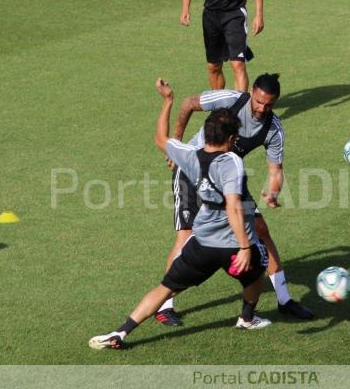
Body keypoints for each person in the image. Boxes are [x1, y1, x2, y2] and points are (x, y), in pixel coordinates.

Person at [88, 78, 271, 350]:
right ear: (232, 139)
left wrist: (167, 102)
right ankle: (246, 317)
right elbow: (233, 206)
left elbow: (160, 139)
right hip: (231, 244)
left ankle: (121, 332)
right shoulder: (231, 160)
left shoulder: (190, 156)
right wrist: (244, 246)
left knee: (165, 288)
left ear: (206, 134)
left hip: (202, 242)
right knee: (257, 274)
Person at [155, 73, 314, 326]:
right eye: (259, 101)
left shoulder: (273, 128)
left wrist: (273, 191)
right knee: (185, 236)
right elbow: (188, 103)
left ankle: (284, 299)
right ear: (252, 92)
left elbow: (276, 170)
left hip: (227, 178)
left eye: (269, 104)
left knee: (261, 230)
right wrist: (178, 143)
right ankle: (164, 306)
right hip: (193, 171)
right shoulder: (231, 99)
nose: (262, 108)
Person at [180, 0, 264, 91]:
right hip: (210, 15)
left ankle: (241, 105)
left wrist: (259, 14)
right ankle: (219, 105)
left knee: (238, 64)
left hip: (235, 13)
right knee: (213, 66)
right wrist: (185, 8)